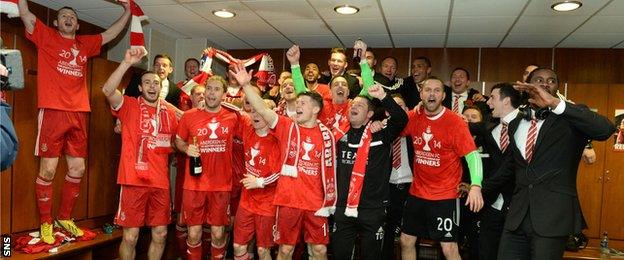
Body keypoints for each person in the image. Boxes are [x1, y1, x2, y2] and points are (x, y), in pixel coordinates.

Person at [17, 0, 131, 244]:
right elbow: (25, 14)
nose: (68, 19)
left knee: (77, 169)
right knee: (47, 170)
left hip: (79, 112)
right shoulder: (46, 36)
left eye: (72, 17)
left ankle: (64, 219)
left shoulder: (85, 45)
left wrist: (128, 11)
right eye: (63, 16)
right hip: (53, 111)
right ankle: (46, 222)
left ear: (77, 25)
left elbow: (110, 33)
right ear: (56, 22)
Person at [484, 68, 615, 259]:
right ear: (527, 86)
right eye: (539, 80)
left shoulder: (570, 119)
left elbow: (606, 129)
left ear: (556, 88)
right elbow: (510, 166)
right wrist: (479, 187)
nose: (545, 84)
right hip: (516, 218)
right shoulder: (515, 124)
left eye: (551, 81)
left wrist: (555, 104)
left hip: (552, 217)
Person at [230, 61, 337, 260]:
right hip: (289, 201)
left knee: (320, 250)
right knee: (285, 250)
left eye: (302, 103)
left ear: (316, 109)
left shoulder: (327, 136)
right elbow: (262, 109)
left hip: (316, 202)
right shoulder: (287, 127)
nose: (298, 106)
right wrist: (245, 84)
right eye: (297, 103)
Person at [101, 48, 179, 260]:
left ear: (161, 87)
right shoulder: (129, 106)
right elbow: (108, 90)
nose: (152, 86)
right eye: (147, 83)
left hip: (160, 183)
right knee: (130, 237)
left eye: (156, 83)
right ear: (139, 87)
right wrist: (126, 63)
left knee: (161, 234)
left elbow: (180, 139)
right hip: (132, 181)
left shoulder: (171, 113)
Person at [399, 78, 484, 260]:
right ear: (421, 94)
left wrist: (476, 185)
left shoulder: (455, 122)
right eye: (427, 90)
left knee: (449, 248)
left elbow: (472, 155)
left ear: (443, 96)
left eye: (437, 90)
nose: (432, 94)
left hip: (445, 196)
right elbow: (395, 129)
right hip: (417, 193)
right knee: (406, 240)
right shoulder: (414, 117)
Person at [175, 75, 244, 260]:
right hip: (194, 185)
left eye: (216, 89)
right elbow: (178, 141)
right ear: (204, 92)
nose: (211, 93)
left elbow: (251, 128)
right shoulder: (190, 116)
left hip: (221, 186)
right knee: (194, 233)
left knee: (218, 234)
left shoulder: (232, 117)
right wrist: (185, 148)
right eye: (209, 89)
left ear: (224, 94)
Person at [464, 82, 521, 260]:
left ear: (506, 101)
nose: (488, 103)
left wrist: (479, 187)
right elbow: (463, 126)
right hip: (492, 204)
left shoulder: (527, 124)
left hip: (518, 204)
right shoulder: (490, 125)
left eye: (493, 98)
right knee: (486, 252)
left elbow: (510, 169)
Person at [232, 98, 281, 260]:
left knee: (262, 251)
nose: (255, 115)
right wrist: (205, 102)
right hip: (246, 201)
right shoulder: (248, 130)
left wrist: (259, 182)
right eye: (252, 111)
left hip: (267, 204)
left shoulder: (276, 141)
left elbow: (281, 173)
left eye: (260, 111)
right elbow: (235, 110)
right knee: (238, 246)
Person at [173, 84, 205, 257]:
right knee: (182, 218)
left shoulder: (214, 114)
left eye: (203, 93)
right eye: (197, 94)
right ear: (190, 97)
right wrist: (185, 148)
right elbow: (174, 142)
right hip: (185, 174)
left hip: (209, 177)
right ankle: (182, 255)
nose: (201, 96)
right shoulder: (183, 116)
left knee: (207, 222)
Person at [382, 94, 414, 260]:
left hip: (411, 188)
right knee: (387, 231)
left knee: (410, 235)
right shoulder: (382, 131)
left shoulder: (414, 133)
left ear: (407, 110)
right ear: (388, 112)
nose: (397, 109)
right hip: (388, 188)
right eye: (393, 106)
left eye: (401, 106)